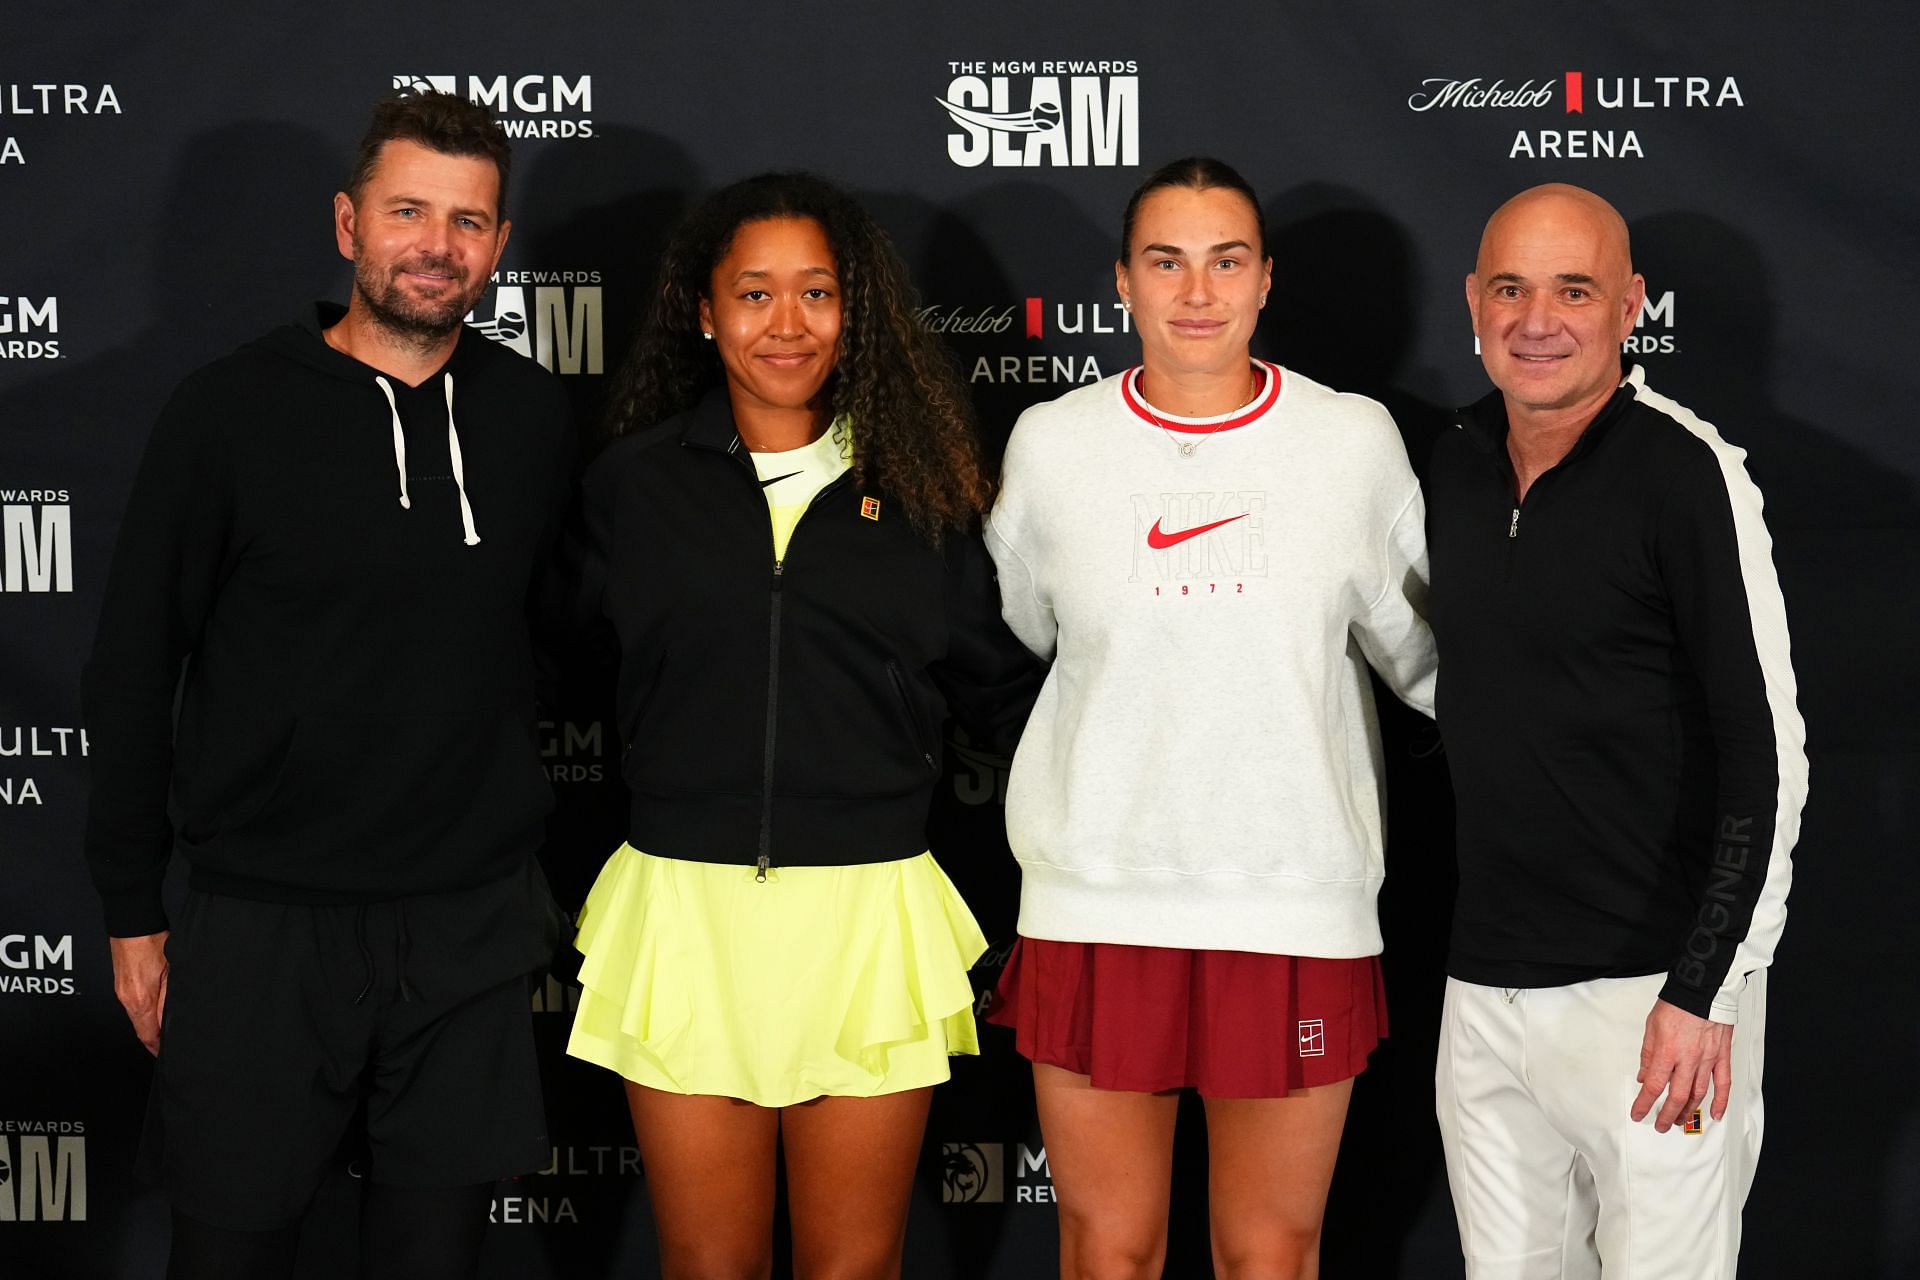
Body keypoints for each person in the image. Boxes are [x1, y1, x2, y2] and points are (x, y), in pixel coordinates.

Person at [82, 92, 572, 1280]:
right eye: (409, 211)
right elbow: (139, 661)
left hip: (466, 918)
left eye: (468, 220)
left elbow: (566, 643)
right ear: (348, 223)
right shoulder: (228, 412)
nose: (438, 245)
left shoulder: (533, 418)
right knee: (230, 1251)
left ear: (499, 247)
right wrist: (132, 907)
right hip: (263, 919)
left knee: (432, 1256)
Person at [565, 172, 1040, 1280]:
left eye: (818, 293)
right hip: (683, 910)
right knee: (708, 1263)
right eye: (756, 293)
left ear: (853, 309)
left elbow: (1009, 699)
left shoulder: (922, 491)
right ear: (705, 310)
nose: (787, 324)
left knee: (852, 1268)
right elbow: (556, 673)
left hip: (868, 912)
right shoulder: (632, 489)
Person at [983, 156, 1437, 1280]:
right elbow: (1033, 631)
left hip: (1296, 898)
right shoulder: (1051, 442)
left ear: (1266, 279)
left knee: (1270, 1251)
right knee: (1106, 1246)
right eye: (1166, 262)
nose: (1198, 291)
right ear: (1124, 283)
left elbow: (1423, 657)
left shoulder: (1353, 442)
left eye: (1226, 261)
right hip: (1099, 893)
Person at [1426, 183, 1808, 1279]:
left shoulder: (1688, 475)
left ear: (1631, 304)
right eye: (1510, 287)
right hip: (1485, 995)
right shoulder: (1450, 460)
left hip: (1652, 997)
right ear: (1473, 302)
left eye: (1574, 289)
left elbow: (1765, 752)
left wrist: (1705, 989)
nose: (1536, 319)